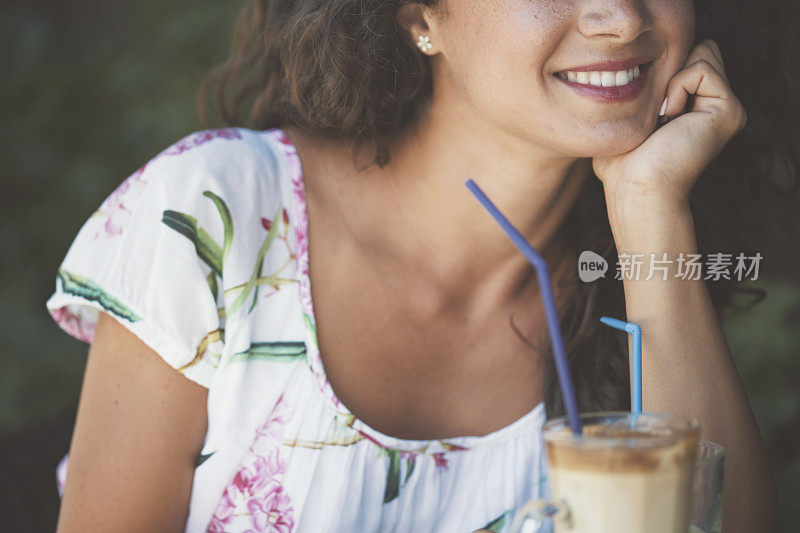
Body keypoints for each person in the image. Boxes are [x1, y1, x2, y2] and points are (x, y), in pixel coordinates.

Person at [48, 1, 787, 531]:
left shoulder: (632, 273)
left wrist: (650, 205)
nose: (621, 17)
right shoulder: (217, 216)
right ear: (418, 18)